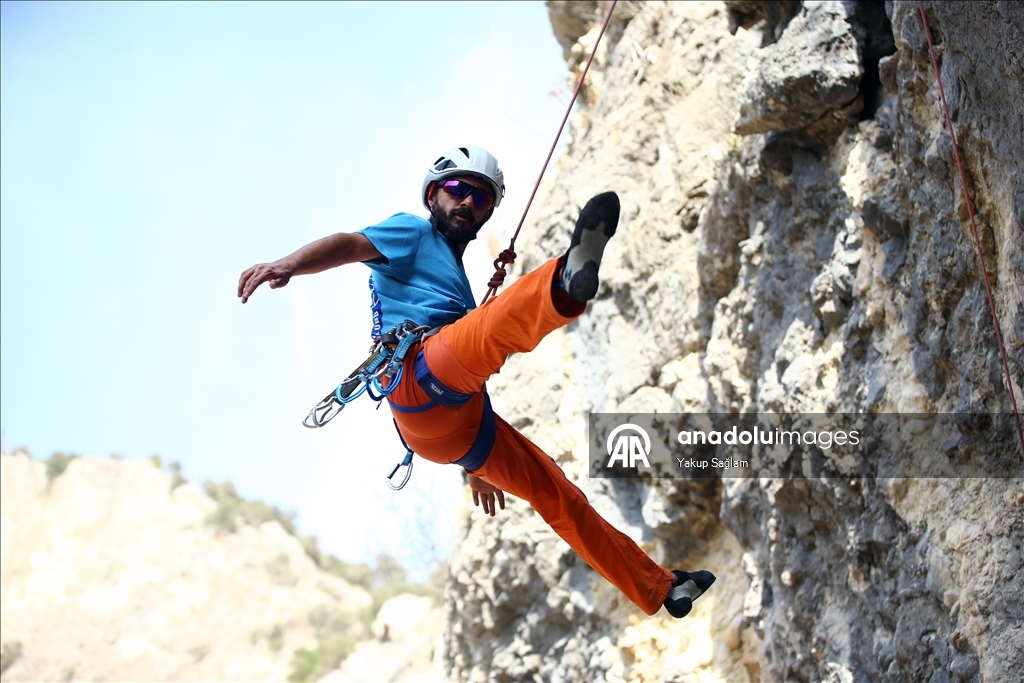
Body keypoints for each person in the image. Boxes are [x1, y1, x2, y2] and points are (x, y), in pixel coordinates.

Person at [237, 146, 715, 618]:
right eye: (456, 189)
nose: (467, 201)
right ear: (432, 196)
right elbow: (348, 244)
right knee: (490, 327)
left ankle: (659, 587)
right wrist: (288, 265)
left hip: (454, 421)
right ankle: (562, 283)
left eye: (481, 198)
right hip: (417, 375)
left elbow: (468, 359)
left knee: (557, 493)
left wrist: (476, 466)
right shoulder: (412, 232)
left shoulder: (454, 278)